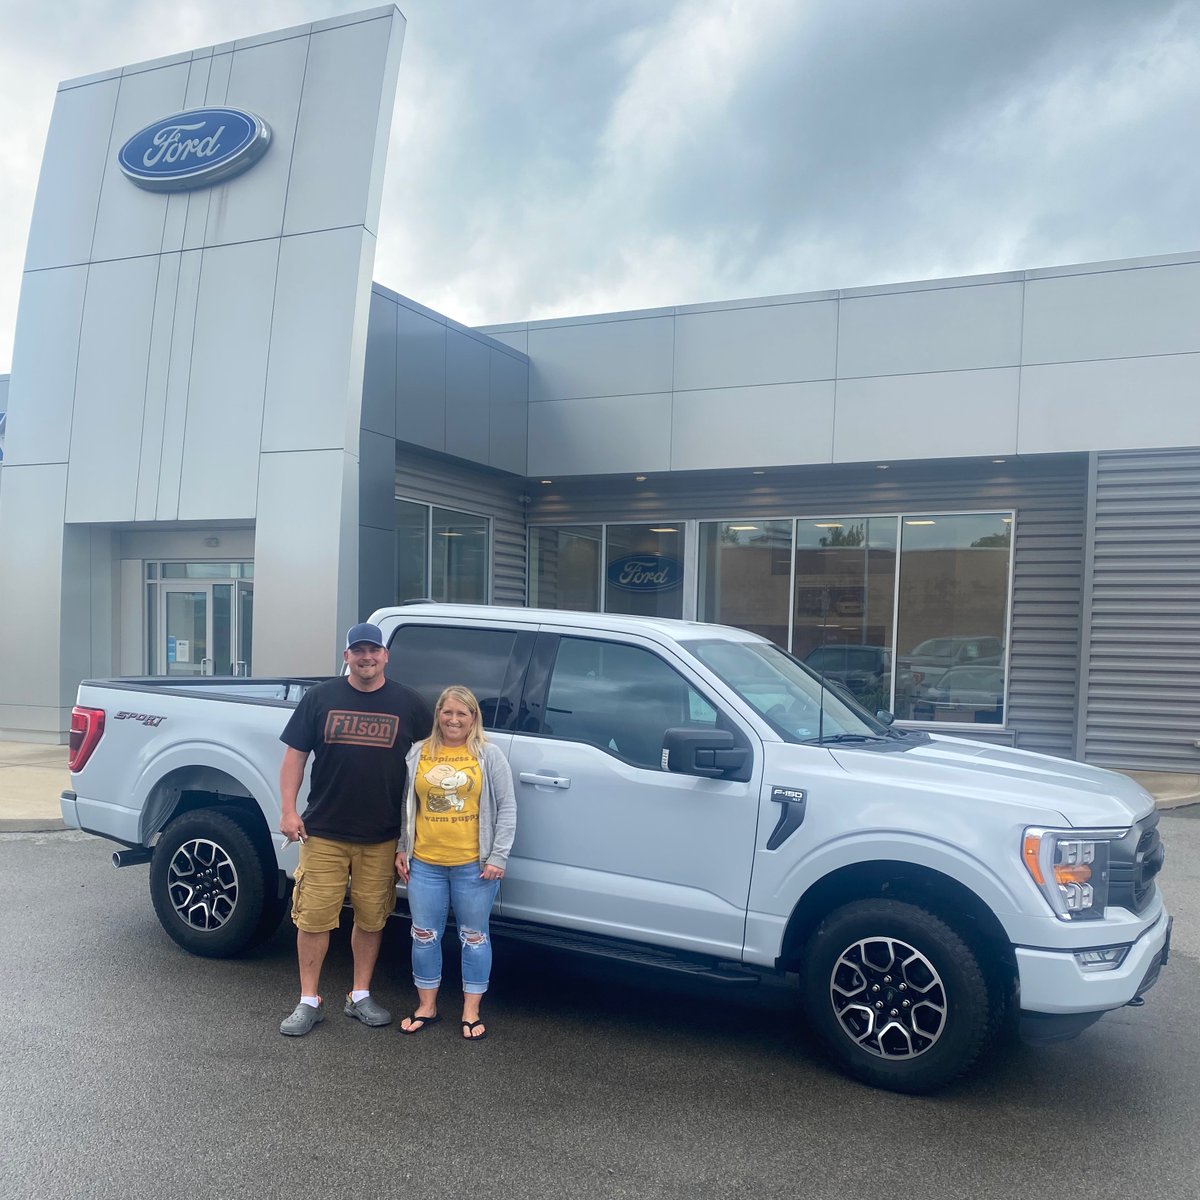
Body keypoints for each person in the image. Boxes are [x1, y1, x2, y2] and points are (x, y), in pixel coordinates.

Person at [277, 622, 433, 1037]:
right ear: (347, 656)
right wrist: (288, 811)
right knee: (312, 917)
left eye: (374, 651)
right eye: (358, 651)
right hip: (323, 831)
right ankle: (308, 999)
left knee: (372, 916)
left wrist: (411, 835)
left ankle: (359, 994)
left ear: (386, 656)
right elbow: (295, 757)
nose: (367, 658)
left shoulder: (409, 703)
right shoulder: (321, 698)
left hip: (381, 836)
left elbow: (434, 760)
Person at [395, 685, 516, 1041]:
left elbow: (507, 807)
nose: (453, 719)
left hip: (474, 866)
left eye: (462, 713)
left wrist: (498, 856)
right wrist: (403, 847)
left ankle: (470, 1010)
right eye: (447, 712)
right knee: (424, 935)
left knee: (474, 937)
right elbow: (406, 805)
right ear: (438, 715)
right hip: (425, 864)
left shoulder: (488, 755)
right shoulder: (419, 753)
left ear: (473, 718)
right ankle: (427, 1006)